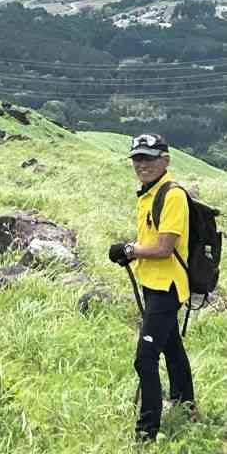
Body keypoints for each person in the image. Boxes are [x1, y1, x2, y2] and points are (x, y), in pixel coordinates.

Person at [108, 133, 195, 443]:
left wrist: (129, 250)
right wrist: (132, 252)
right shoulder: (148, 193)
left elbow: (163, 248)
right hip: (152, 283)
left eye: (149, 157)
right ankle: (187, 404)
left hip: (167, 287)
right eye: (137, 158)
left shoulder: (172, 195)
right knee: (172, 346)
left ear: (165, 159)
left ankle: (146, 433)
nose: (142, 164)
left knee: (145, 358)